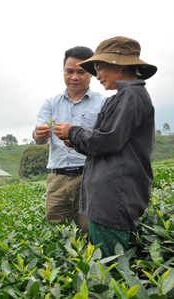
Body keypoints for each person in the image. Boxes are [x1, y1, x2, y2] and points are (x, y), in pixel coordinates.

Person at [53, 36, 156, 257]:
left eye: (100, 68)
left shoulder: (131, 96)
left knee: (110, 270)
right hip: (105, 198)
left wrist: (73, 131)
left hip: (113, 198)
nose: (97, 76)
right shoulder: (119, 97)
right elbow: (105, 141)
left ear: (118, 66)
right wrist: (77, 141)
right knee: (106, 263)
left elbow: (108, 141)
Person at [33, 46, 107, 235]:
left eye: (81, 72)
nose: (74, 76)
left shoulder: (104, 103)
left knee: (89, 231)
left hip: (89, 176)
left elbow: (105, 140)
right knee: (57, 233)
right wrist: (38, 135)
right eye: (69, 71)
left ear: (92, 73)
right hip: (57, 179)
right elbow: (39, 139)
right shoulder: (51, 103)